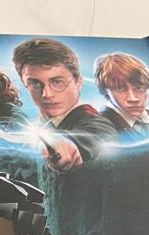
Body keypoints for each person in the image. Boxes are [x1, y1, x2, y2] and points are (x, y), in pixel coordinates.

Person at [12, 37, 117, 172]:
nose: (47, 94)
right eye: (35, 83)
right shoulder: (37, 126)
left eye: (57, 82)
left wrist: (70, 145)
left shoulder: (95, 123)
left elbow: (98, 135)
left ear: (78, 82)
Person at [93, 52, 149, 138]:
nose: (133, 98)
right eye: (120, 88)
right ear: (105, 91)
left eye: (139, 88)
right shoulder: (98, 129)